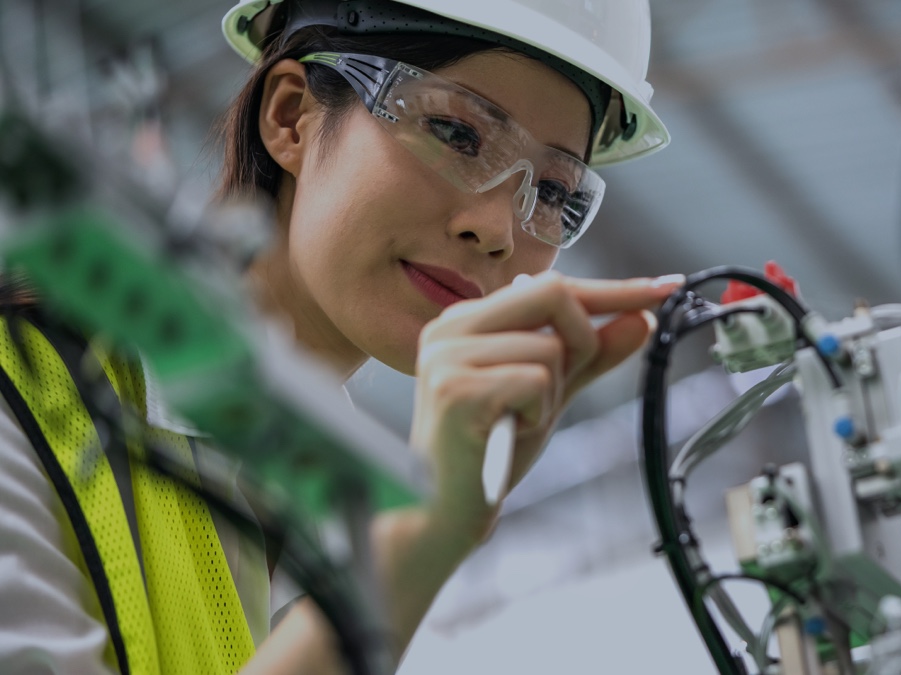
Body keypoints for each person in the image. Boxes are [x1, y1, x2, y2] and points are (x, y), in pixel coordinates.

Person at [0, 0, 677, 673]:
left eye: (555, 193)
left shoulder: (343, 525)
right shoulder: (21, 389)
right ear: (290, 116)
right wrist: (421, 536)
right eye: (455, 132)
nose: (498, 229)